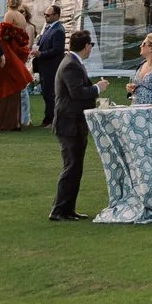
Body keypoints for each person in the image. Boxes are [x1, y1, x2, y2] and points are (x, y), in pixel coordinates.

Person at [49, 29, 106, 222]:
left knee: (75, 167)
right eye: (91, 45)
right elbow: (77, 93)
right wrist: (98, 88)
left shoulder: (73, 63)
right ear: (86, 46)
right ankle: (59, 210)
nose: (91, 49)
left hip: (75, 123)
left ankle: (68, 209)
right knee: (71, 166)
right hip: (69, 124)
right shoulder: (70, 65)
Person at [0, 4, 36, 130]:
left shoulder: (10, 16)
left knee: (9, 89)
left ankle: (9, 122)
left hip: (10, 56)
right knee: (17, 90)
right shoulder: (24, 23)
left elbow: (4, 36)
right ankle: (19, 121)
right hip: (17, 55)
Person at [32, 4, 67, 135]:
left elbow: (57, 50)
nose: (46, 17)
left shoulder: (58, 30)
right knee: (46, 94)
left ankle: (52, 119)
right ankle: (48, 118)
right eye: (45, 15)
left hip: (51, 67)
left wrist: (41, 54)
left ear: (56, 16)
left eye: (48, 15)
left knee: (51, 94)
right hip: (44, 66)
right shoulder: (49, 28)